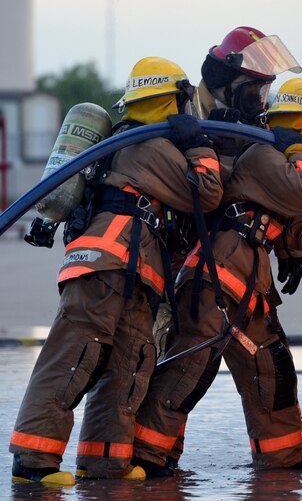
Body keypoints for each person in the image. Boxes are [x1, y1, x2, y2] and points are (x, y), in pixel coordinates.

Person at [132, 43, 302, 473]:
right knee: (188, 371)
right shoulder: (267, 155)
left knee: (270, 367)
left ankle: (284, 453)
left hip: (248, 285)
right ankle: (146, 455)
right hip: (218, 280)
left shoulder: (281, 157)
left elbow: (295, 237)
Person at [9, 57, 223, 483]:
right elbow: (209, 193)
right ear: (173, 100)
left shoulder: (135, 144)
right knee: (74, 357)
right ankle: (32, 463)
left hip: (134, 272)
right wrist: (198, 144)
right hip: (105, 265)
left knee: (130, 364)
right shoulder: (150, 147)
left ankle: (105, 462)